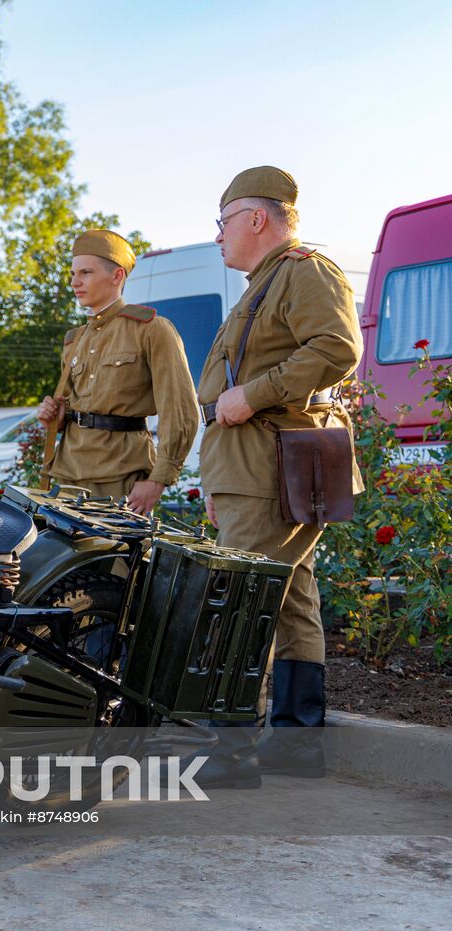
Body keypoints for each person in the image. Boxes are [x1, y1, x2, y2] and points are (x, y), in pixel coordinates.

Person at [195, 166, 362, 786]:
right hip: (254, 464)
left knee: (240, 598)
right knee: (290, 601)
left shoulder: (303, 272)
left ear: (257, 218)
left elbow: (337, 348)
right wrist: (217, 477)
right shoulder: (263, 284)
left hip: (271, 462)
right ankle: (294, 743)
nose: (218, 236)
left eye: (223, 222)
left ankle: (229, 751)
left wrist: (255, 394)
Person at [37, 230, 199, 513]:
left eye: (86, 272)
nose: (75, 282)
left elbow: (180, 410)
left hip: (121, 476)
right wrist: (58, 417)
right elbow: (76, 404)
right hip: (67, 474)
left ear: (117, 276)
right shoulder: (74, 339)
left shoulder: (151, 330)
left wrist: (158, 480)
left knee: (117, 546)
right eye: (73, 274)